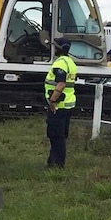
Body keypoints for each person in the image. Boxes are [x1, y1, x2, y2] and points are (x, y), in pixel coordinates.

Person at [45, 37, 77, 167]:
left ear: (59, 48)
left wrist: (52, 101)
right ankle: (52, 162)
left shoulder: (60, 63)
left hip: (58, 106)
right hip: (68, 104)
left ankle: (57, 164)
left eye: (55, 46)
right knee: (60, 136)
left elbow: (61, 84)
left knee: (56, 136)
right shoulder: (70, 62)